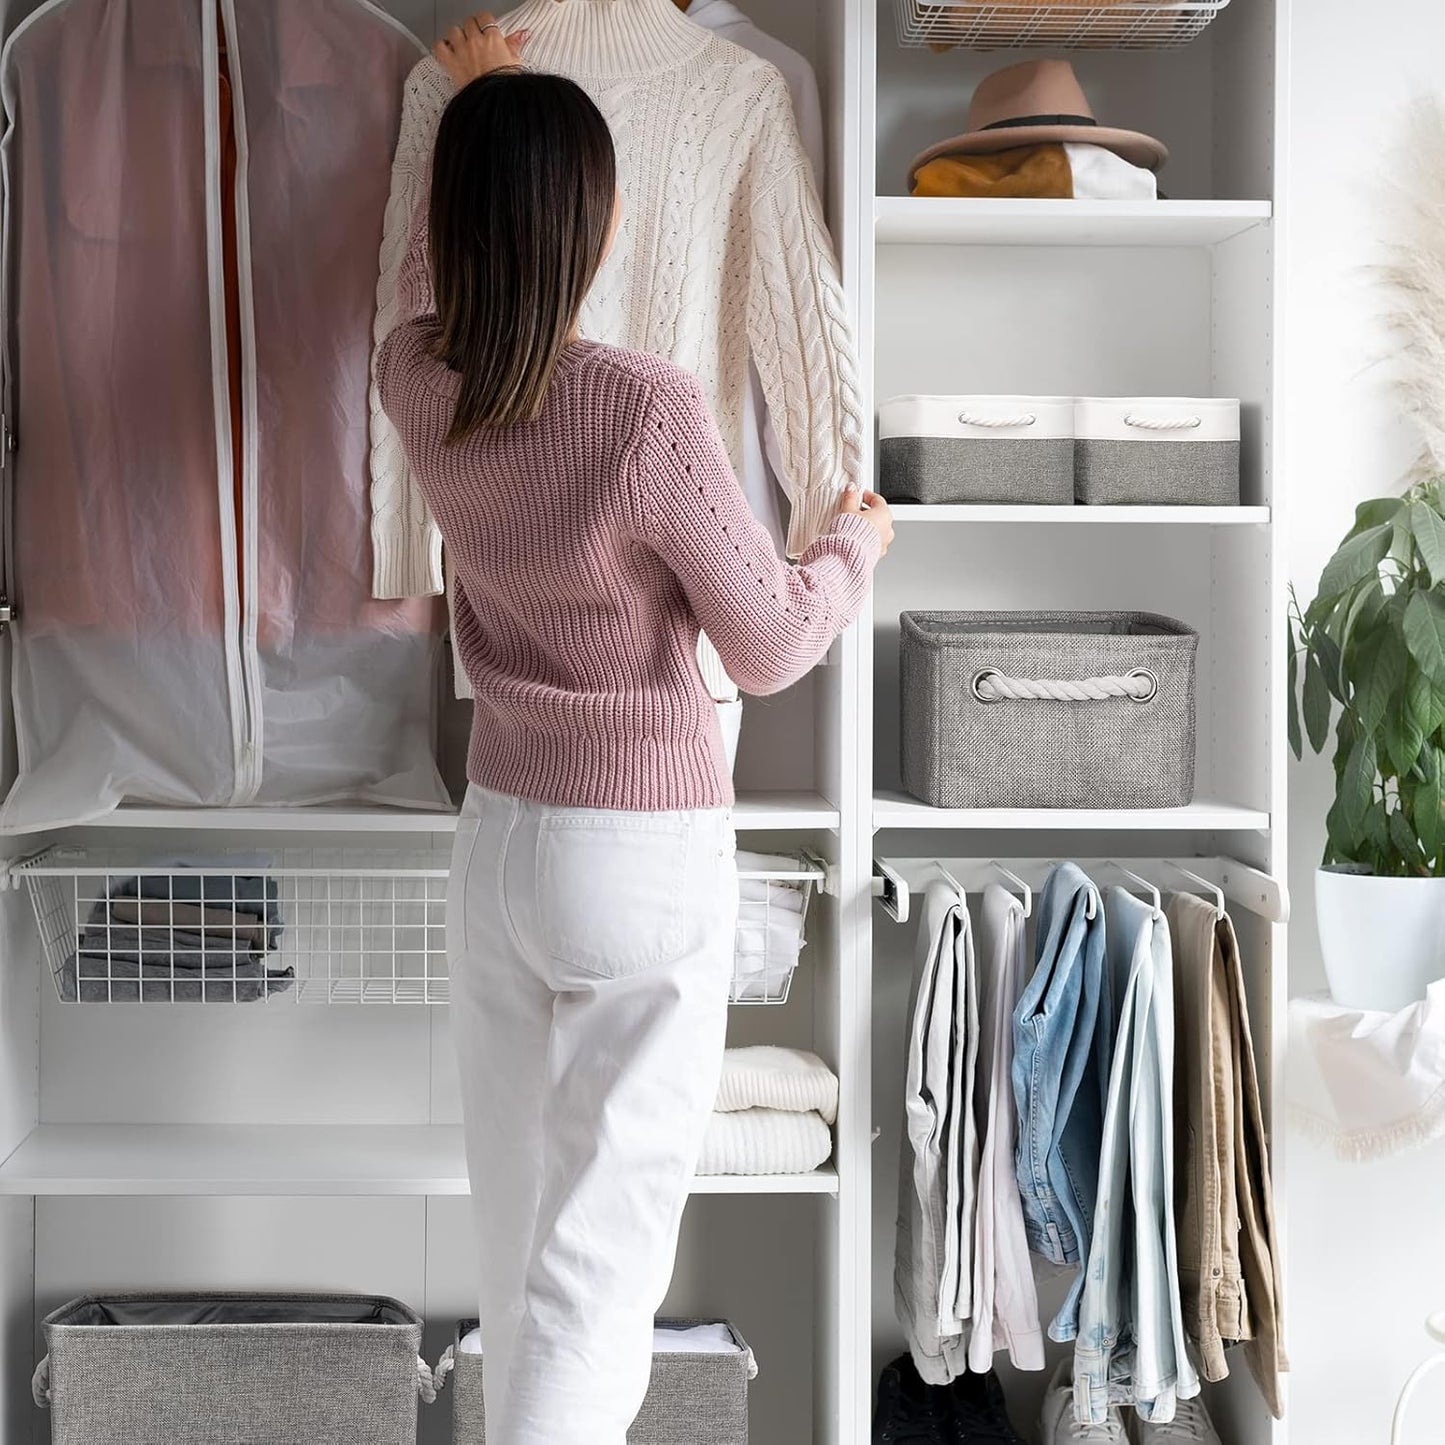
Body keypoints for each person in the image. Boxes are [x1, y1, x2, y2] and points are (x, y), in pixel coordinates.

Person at [378, 15, 891, 1444]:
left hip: (501, 844)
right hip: (642, 852)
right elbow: (773, 640)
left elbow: (424, 281)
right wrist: (852, 542)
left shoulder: (419, 382)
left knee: (518, 1225)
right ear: (589, 229)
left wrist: (470, 111)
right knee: (598, 1269)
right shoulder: (649, 412)